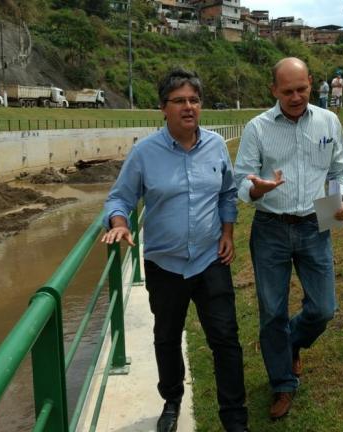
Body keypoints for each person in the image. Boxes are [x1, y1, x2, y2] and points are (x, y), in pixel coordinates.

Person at [101, 68, 248, 432]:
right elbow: (120, 197)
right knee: (166, 336)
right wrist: (119, 223)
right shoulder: (144, 153)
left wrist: (227, 231)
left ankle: (234, 417)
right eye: (179, 101)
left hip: (211, 258)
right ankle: (171, 399)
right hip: (164, 265)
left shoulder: (215, 145)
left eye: (194, 100)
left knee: (226, 338)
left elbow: (228, 192)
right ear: (163, 108)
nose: (188, 107)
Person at [233, 57, 343, 421]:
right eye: (288, 91)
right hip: (270, 226)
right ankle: (283, 383)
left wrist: (341, 200)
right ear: (274, 91)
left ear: (311, 84)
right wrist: (256, 190)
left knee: (324, 308)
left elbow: (338, 169)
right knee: (272, 312)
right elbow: (241, 180)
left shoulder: (329, 121)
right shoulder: (257, 128)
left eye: (302, 89)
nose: (296, 97)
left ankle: (291, 343)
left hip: (316, 222)